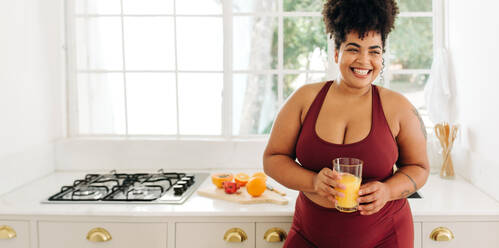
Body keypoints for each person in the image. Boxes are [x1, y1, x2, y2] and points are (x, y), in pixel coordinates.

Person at [262, 0, 430, 247]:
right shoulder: (304, 99)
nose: (364, 61)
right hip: (309, 236)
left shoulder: (399, 108)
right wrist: (313, 182)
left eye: (374, 51)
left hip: (385, 238)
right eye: (354, 49)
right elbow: (273, 158)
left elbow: (419, 167)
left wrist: (388, 192)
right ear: (337, 52)